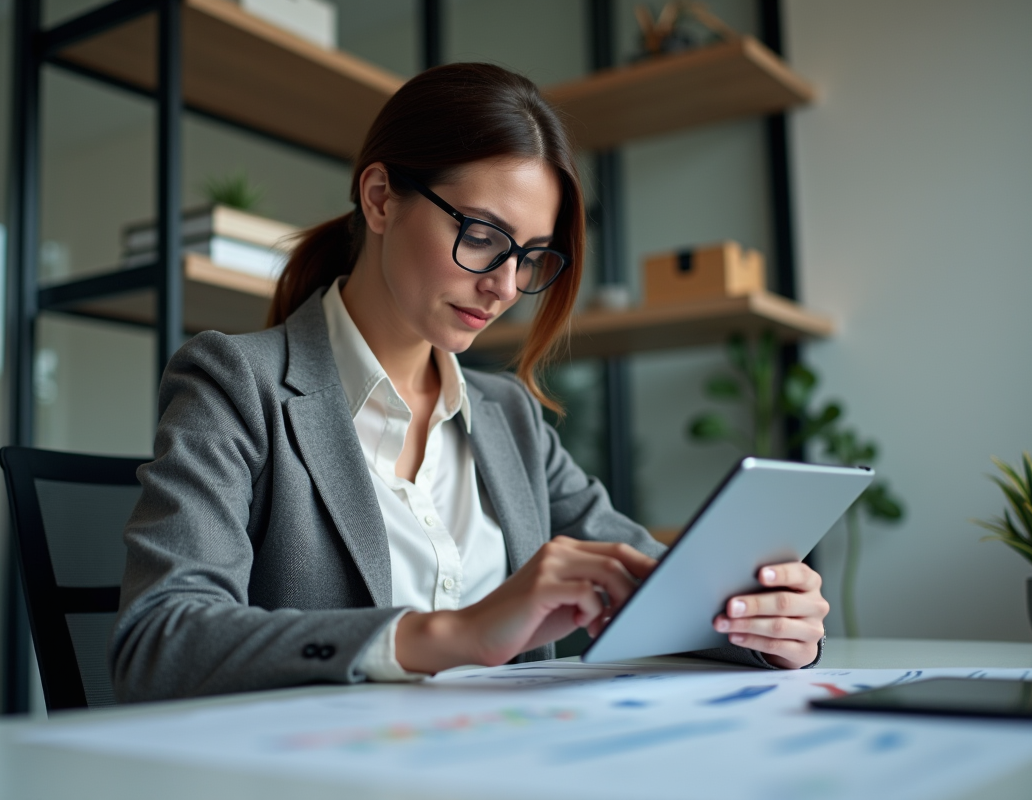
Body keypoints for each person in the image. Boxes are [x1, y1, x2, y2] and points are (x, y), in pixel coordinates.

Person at [109, 63, 829, 702]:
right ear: (381, 198)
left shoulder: (508, 416)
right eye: (482, 237)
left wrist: (766, 622)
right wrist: (452, 634)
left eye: (532, 257)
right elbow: (157, 639)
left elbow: (661, 591)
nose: (506, 286)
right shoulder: (239, 383)